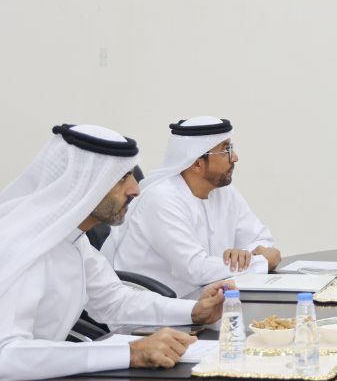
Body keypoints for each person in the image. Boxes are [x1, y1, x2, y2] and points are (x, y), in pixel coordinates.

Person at [0, 124, 232, 381]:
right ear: (83, 183)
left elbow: (114, 301)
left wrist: (194, 311)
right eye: (122, 178)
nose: (135, 189)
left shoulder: (72, 240)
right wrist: (129, 353)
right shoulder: (23, 249)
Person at [104, 116, 280, 297]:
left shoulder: (224, 192)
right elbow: (195, 269)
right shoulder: (161, 198)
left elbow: (261, 239)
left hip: (206, 300)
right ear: (197, 163)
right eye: (225, 150)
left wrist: (245, 256)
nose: (234, 157)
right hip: (154, 306)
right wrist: (260, 262)